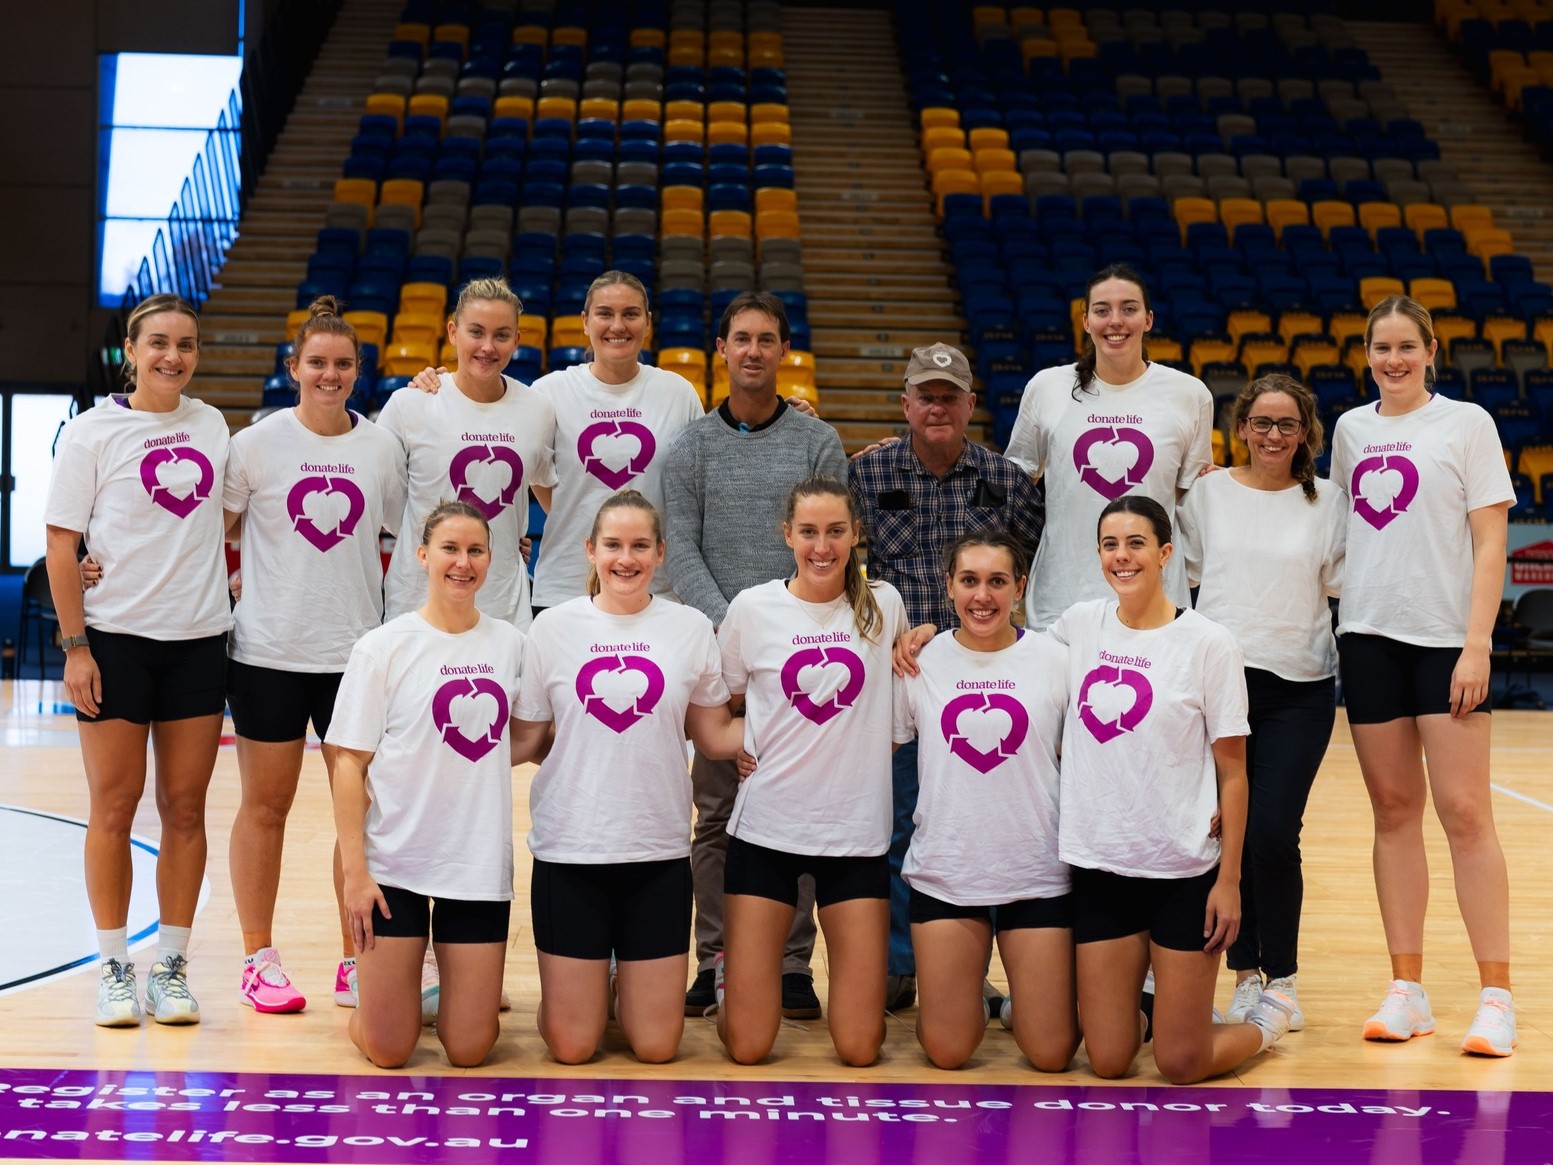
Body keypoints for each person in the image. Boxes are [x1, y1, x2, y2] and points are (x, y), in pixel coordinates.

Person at [1049, 496, 1295, 1084]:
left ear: (1164, 554)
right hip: (1101, 866)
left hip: (1183, 873)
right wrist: (929, 634)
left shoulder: (1209, 643)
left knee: (1181, 1064)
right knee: (1108, 1061)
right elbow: (1000, 647)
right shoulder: (1078, 626)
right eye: (1110, 544)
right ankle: (1162, 1010)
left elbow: (1234, 774)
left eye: (1136, 544)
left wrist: (1230, 882)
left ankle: (1268, 1019)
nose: (1122, 556)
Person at [1330, 296, 1517, 1055]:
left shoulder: (1466, 425)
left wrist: (1477, 643)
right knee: (1391, 811)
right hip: (1366, 636)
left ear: (1431, 350)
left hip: (1445, 641)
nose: (1393, 358)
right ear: (1366, 353)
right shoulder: (1350, 429)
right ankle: (1406, 986)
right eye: (1381, 346)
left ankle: (1495, 995)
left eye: (1407, 345)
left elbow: (1489, 540)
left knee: (1466, 813)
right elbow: (1338, 530)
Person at [44, 293, 230, 1026]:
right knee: (114, 808)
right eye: (158, 342)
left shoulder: (213, 425)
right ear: (131, 346)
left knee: (185, 808)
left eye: (185, 344)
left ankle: (173, 968)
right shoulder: (92, 433)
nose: (172, 357)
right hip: (115, 642)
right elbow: (62, 544)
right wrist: (76, 645)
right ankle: (115, 964)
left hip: (197, 641)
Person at [661, 291, 848, 1019]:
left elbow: (827, 546)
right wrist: (734, 635)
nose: (752, 351)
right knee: (715, 814)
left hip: (800, 660)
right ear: (721, 347)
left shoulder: (816, 442)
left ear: (782, 351)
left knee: (793, 810)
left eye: (766, 339)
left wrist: (773, 640)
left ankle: (789, 964)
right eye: (740, 338)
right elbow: (681, 549)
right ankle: (715, 958)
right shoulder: (690, 448)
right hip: (717, 661)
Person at [512, 490, 745, 1063]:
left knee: (657, 1046)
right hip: (571, 851)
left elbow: (714, 735)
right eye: (612, 544)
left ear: (661, 552)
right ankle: (588, 987)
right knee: (572, 1046)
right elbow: (528, 739)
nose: (626, 558)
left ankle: (614, 979)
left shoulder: (690, 628)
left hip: (657, 853)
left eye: (640, 545)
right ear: (590, 550)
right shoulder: (553, 629)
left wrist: (803, 723)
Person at [221, 298, 407, 1013]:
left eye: (343, 364)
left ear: (358, 372)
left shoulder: (381, 447)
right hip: (267, 650)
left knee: (354, 817)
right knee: (264, 807)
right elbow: (211, 529)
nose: (329, 374)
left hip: (354, 655)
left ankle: (353, 959)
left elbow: (400, 536)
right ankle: (256, 956)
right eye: (317, 363)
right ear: (293, 367)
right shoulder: (255, 444)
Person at [848, 341, 1045, 1012]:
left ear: (969, 405)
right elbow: (840, 569)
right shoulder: (865, 474)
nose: (936, 406)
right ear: (905, 404)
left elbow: (1029, 576)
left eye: (948, 395)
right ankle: (905, 963)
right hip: (909, 685)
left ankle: (979, 967)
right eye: (924, 395)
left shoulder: (1008, 481)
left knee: (989, 821)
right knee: (905, 822)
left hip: (991, 683)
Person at [715, 476, 909, 1065]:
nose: (821, 546)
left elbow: (902, 699)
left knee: (858, 1048)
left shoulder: (884, 605)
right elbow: (716, 701)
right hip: (768, 826)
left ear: (855, 535)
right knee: (748, 1047)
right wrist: (738, 743)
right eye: (808, 532)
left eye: (834, 532)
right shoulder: (752, 608)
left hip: (854, 834)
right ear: (787, 535)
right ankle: (732, 977)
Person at [326, 501, 525, 1069]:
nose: (463, 563)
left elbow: (527, 737)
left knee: (468, 1050)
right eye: (450, 549)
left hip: (476, 866)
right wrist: (356, 874)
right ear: (422, 555)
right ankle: (385, 1008)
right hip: (395, 868)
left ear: (492, 558)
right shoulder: (383, 648)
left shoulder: (510, 644)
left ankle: (440, 998)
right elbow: (348, 765)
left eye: (476, 551)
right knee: (390, 1051)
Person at [1175, 373, 1344, 1031]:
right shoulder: (1208, 495)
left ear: (1305, 434)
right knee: (1228, 838)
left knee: (1274, 833)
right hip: (1219, 683)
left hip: (1299, 687)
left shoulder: (1328, 501)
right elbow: (1182, 575)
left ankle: (1284, 979)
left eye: (1287, 424)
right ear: (1240, 427)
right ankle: (1244, 975)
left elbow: (1341, 582)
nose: (1273, 434)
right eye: (1261, 422)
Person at [893, 531, 1076, 1070]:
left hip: (1036, 873)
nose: (982, 595)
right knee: (948, 1051)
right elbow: (871, 740)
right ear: (948, 586)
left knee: (1049, 1052)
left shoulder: (1057, 659)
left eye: (998, 581)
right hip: (949, 873)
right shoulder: (919, 663)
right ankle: (981, 996)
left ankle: (1018, 1000)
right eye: (969, 580)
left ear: (1019, 588)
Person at [1004, 264, 1213, 627]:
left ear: (1148, 319)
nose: (1115, 320)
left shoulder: (1189, 394)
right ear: (1086, 321)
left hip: (1155, 601)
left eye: (1129, 309)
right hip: (1061, 600)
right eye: (1102, 310)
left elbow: (1189, 496)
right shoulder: (1047, 387)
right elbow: (1012, 478)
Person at [378, 276, 554, 632]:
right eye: (476, 332)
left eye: (501, 335)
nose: (488, 346)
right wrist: (421, 533)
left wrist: (505, 537)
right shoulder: (410, 403)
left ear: (517, 341)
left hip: (503, 605)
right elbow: (382, 506)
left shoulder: (537, 409)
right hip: (418, 601)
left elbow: (542, 490)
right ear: (452, 332)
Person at [527, 272, 705, 613]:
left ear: (648, 322)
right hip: (565, 588)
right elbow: (539, 477)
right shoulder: (549, 392)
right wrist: (579, 511)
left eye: (631, 314)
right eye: (605, 313)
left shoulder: (677, 392)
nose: (617, 325)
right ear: (585, 321)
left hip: (655, 589)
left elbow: (696, 485)